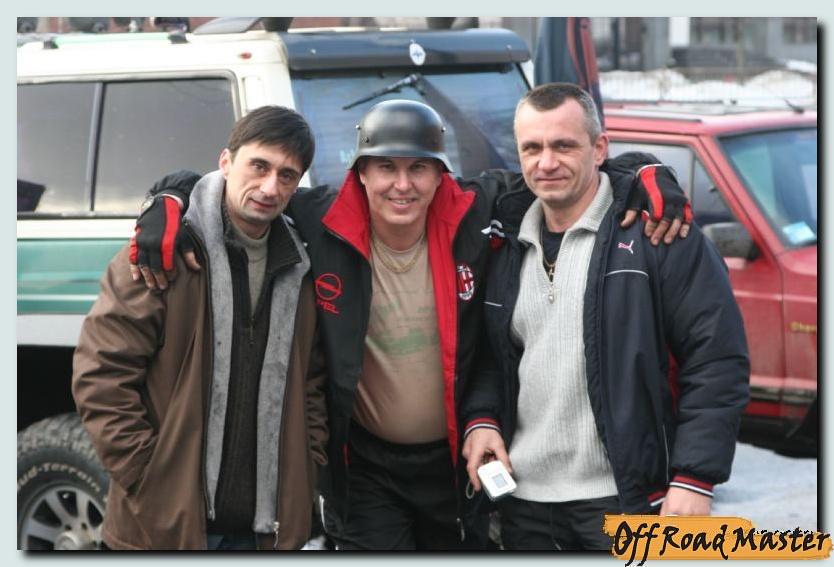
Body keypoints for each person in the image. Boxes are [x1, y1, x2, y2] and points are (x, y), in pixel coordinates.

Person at [128, 98, 691, 550]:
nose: (403, 184)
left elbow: (562, 169)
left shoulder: (475, 210)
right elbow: (229, 186)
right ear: (360, 173)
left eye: (419, 167)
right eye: (386, 168)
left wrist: (646, 170)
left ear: (441, 174)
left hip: (454, 461)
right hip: (365, 467)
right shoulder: (318, 219)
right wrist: (167, 198)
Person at [460, 83, 750, 550]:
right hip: (524, 504)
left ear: (599, 149)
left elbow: (716, 359)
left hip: (628, 500)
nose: (546, 162)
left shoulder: (659, 232)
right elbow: (493, 359)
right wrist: (483, 420)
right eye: (532, 148)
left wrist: (695, 477)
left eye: (563, 145)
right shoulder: (503, 242)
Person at [71, 106, 328, 550]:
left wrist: (308, 467)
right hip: (160, 528)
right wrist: (146, 476)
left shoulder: (302, 269)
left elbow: (313, 385)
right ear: (226, 161)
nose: (270, 187)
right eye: (259, 166)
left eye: (287, 175)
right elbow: (102, 375)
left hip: (263, 533)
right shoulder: (161, 253)